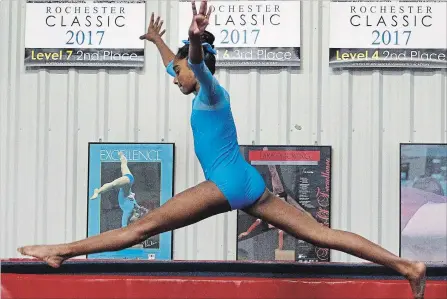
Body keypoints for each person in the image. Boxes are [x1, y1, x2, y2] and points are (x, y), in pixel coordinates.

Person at [18, 1, 426, 298]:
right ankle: (407, 266)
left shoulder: (212, 93)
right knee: (322, 234)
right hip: (247, 180)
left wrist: (193, 43)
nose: (174, 78)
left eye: (178, 72)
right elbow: (177, 66)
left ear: (197, 68)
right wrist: (162, 42)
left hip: (228, 182)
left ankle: (62, 251)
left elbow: (193, 67)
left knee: (140, 228)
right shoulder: (196, 89)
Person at [90, 151, 138, 228]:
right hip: (128, 181)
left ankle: (122, 156)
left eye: (135, 218)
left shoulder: (128, 211)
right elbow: (126, 223)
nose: (136, 217)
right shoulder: (132, 208)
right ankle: (97, 192)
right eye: (136, 217)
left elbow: (124, 224)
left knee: (123, 166)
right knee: (113, 184)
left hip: (128, 181)